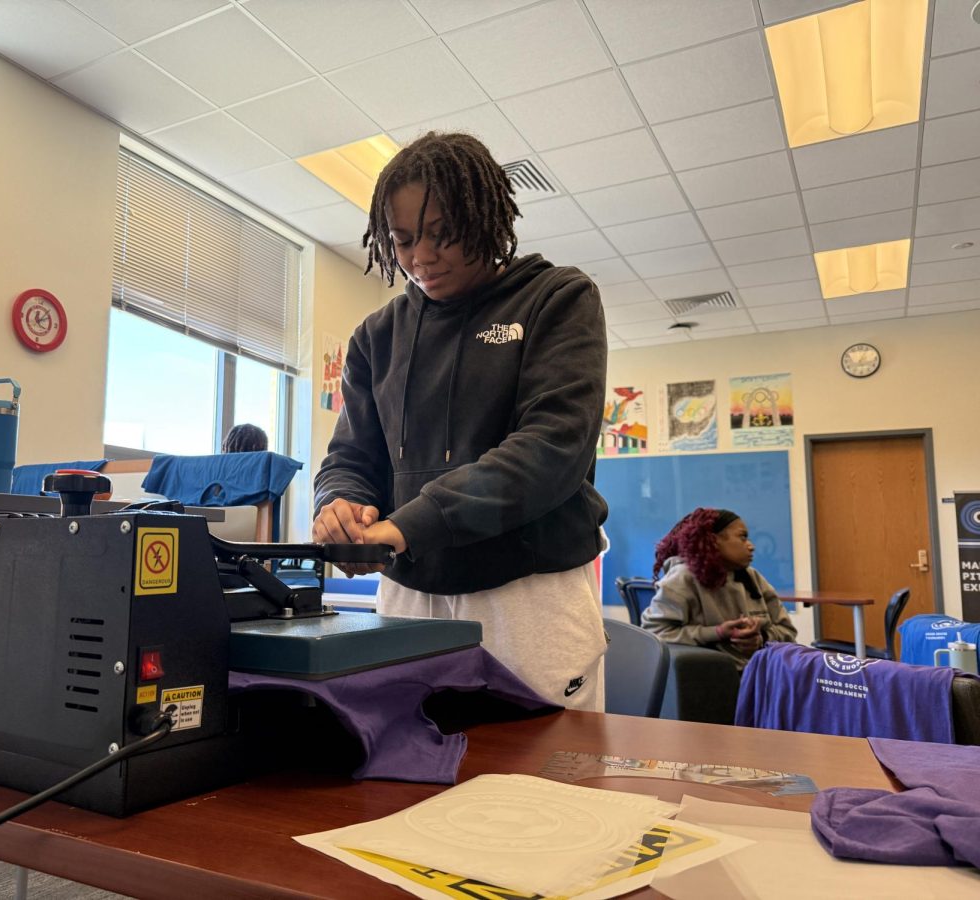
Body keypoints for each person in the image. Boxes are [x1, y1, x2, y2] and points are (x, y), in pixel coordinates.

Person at [311, 131, 609, 711]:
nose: (421, 256)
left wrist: (410, 524)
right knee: (403, 769)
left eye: (442, 236)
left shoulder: (558, 299)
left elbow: (553, 447)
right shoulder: (375, 338)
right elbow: (351, 457)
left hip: (529, 596)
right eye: (401, 240)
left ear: (486, 221)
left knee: (548, 784)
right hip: (409, 592)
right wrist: (340, 504)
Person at [640, 508, 797, 670]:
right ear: (713, 540)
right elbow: (655, 633)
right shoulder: (683, 578)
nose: (751, 546)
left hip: (761, 673)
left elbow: (788, 631)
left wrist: (762, 638)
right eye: (742, 537)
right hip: (711, 679)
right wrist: (717, 632)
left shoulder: (752, 577)